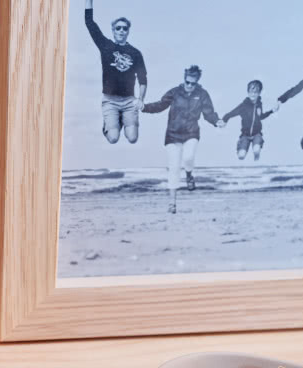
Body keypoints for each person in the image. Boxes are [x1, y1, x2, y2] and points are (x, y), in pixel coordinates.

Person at [143, 65, 223, 214]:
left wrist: (216, 121)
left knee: (188, 157)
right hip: (172, 135)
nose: (190, 86)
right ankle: (172, 203)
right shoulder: (175, 92)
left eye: (193, 83)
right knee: (173, 167)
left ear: (197, 82)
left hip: (191, 133)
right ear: (184, 79)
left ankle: (189, 174)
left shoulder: (202, 94)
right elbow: (160, 105)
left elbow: (209, 113)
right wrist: (144, 107)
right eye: (188, 82)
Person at [84, 0, 147, 144]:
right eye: (118, 28)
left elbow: (143, 79)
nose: (121, 31)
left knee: (132, 138)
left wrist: (140, 100)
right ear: (113, 30)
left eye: (125, 28)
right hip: (110, 100)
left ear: (128, 31)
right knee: (113, 138)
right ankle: (110, 124)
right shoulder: (105, 46)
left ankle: (123, 119)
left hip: (129, 100)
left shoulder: (136, 53)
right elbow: (89, 23)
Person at [219, 80, 276, 161]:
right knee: (241, 156)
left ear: (259, 93)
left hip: (257, 134)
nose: (253, 94)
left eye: (255, 92)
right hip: (245, 135)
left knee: (256, 150)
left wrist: (271, 111)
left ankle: (257, 154)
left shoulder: (259, 104)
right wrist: (224, 119)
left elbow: (261, 117)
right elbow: (231, 113)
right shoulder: (244, 106)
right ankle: (240, 147)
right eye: (251, 92)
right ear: (248, 92)